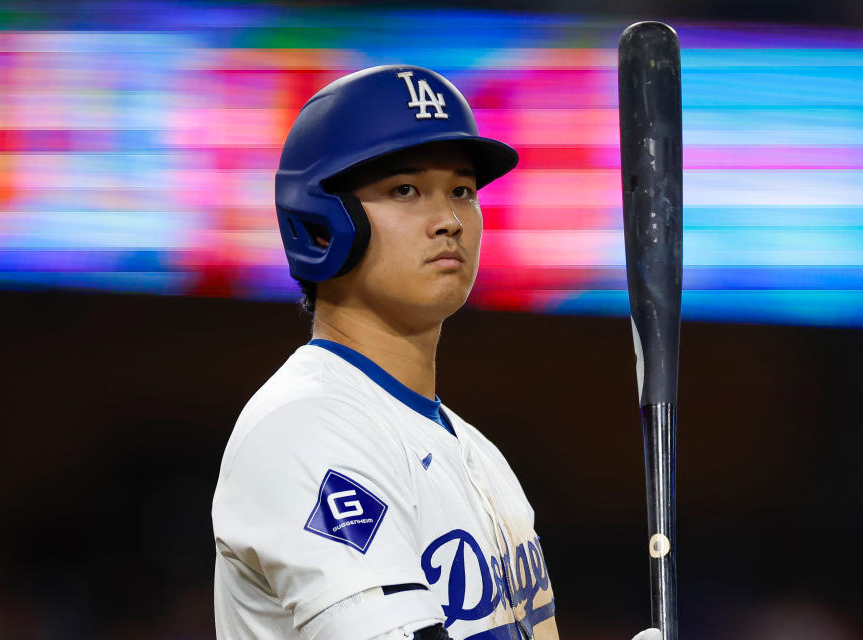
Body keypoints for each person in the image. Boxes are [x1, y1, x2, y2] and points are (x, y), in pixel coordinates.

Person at [211, 65, 661, 640]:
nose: (449, 220)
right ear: (322, 221)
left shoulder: (479, 454)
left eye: (462, 192)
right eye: (406, 190)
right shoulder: (304, 426)